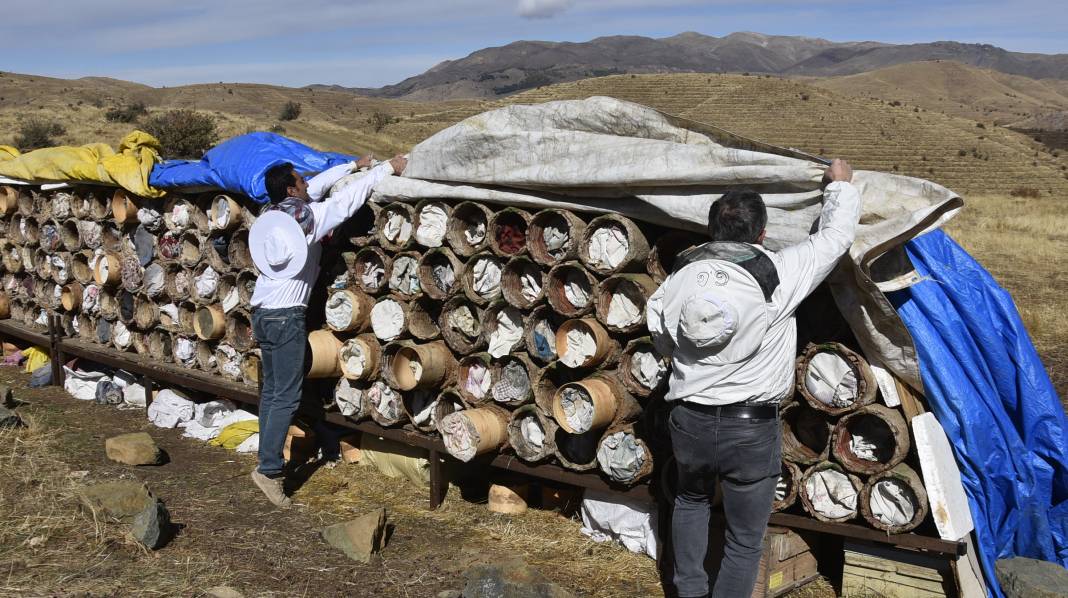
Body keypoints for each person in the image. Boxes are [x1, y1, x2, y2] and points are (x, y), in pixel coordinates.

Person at [646, 159, 859, 598]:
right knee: (744, 538)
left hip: (690, 419)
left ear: (712, 231)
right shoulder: (779, 273)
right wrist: (838, 187)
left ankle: (688, 593)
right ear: (762, 233)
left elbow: (660, 334)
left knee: (690, 501)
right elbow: (834, 238)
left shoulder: (681, 277)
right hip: (750, 428)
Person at [248, 153, 407, 507]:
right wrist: (385, 169)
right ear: (291, 188)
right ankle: (269, 470)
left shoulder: (272, 216)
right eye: (301, 181)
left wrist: (352, 165)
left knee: (273, 392)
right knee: (286, 396)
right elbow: (342, 201)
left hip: (262, 311)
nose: (308, 184)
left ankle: (267, 461)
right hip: (286, 315)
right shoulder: (308, 220)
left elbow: (316, 187)